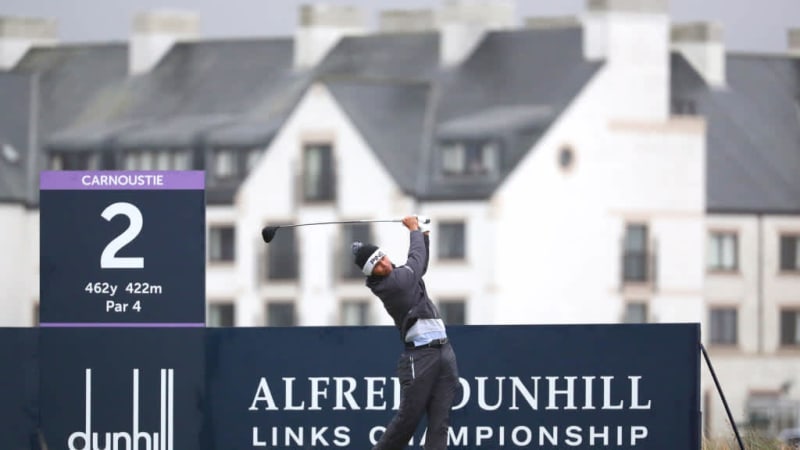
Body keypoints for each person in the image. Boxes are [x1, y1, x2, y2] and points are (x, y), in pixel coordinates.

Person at [351, 215, 459, 450]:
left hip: (444, 351)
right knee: (407, 421)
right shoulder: (391, 285)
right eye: (376, 267)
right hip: (420, 357)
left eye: (382, 259)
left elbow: (419, 266)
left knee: (440, 422)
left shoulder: (402, 275)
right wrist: (413, 230)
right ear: (372, 274)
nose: (384, 265)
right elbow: (417, 263)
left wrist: (424, 236)